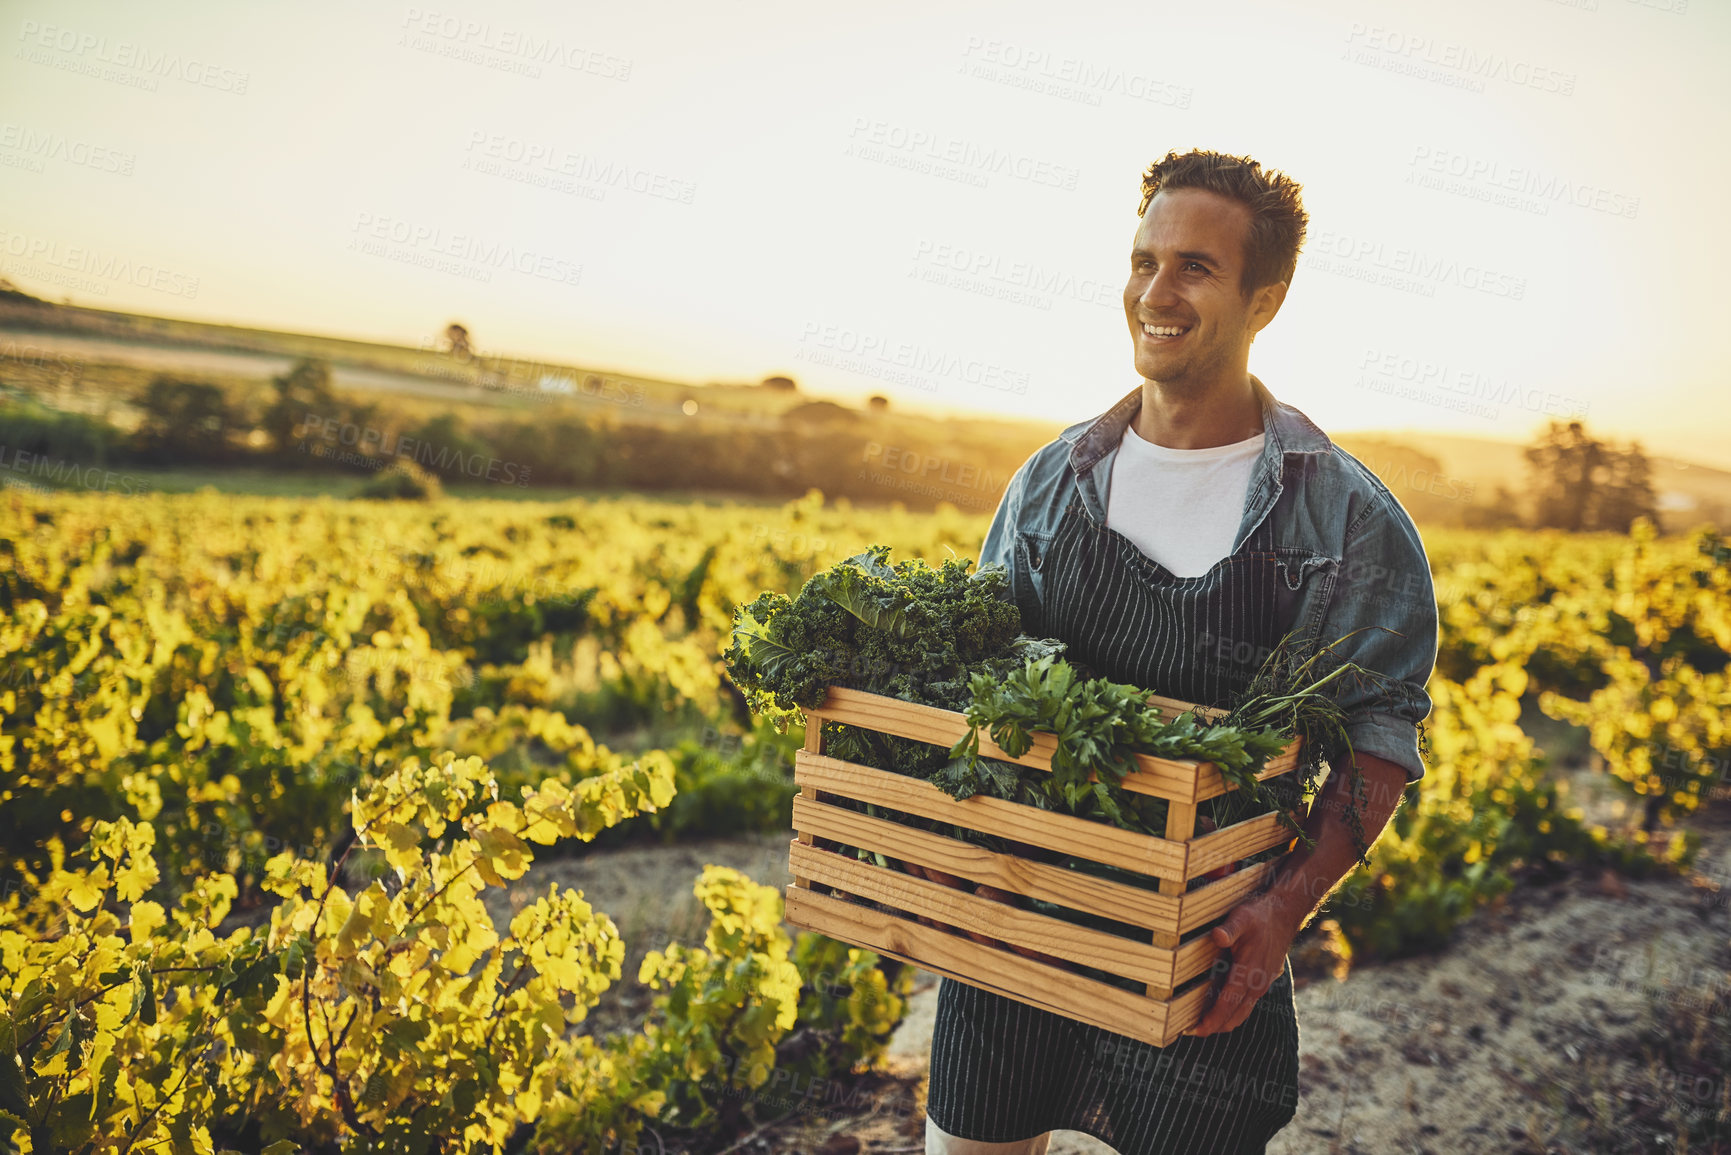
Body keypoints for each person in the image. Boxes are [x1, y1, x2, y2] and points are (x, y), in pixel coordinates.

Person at [922, 149, 1439, 1154]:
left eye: (1196, 266)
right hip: (1014, 915)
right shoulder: (1048, 482)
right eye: (1143, 259)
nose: (1155, 292)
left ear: (1265, 300)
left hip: (1200, 949)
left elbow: (1377, 752)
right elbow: (980, 682)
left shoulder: (1343, 516)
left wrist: (1286, 909)